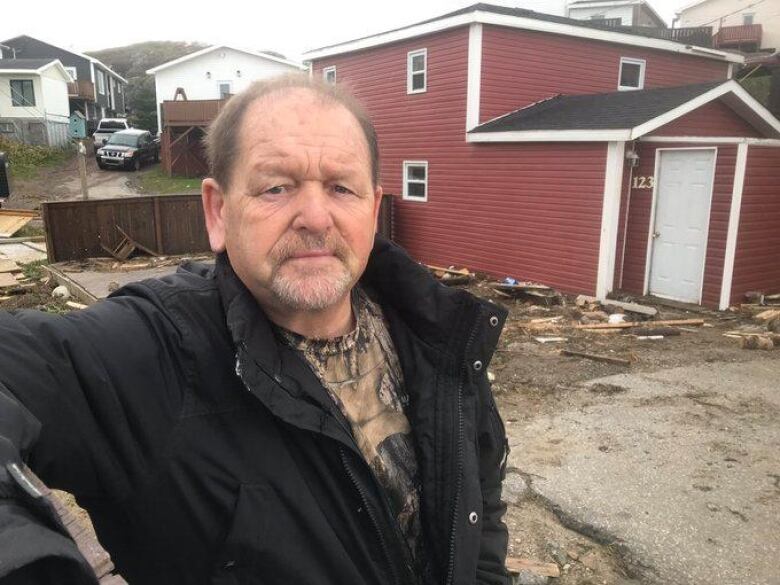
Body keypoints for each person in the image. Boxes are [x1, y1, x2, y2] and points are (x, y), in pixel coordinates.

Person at [0, 75, 510, 585]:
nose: (315, 216)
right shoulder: (153, 352)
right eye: (276, 188)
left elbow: (478, 508)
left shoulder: (437, 335)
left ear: (373, 210)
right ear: (218, 212)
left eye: (341, 187)